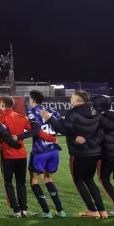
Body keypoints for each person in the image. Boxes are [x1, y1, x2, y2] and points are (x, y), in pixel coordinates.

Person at [41, 90, 107, 218]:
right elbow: (101, 131)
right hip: (94, 152)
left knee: (78, 180)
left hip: (79, 152)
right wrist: (91, 143)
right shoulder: (96, 112)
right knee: (90, 180)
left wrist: (50, 119)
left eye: (71, 97)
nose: (70, 99)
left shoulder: (73, 113)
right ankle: (102, 211)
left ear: (77, 99)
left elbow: (64, 130)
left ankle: (92, 210)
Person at [0, 96, 57, 218]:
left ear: (2, 105)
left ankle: (16, 210)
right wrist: (52, 139)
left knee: (8, 182)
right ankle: (24, 209)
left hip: (8, 156)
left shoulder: (1, 119)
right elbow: (38, 132)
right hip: (22, 156)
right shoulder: (22, 118)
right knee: (21, 183)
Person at [27, 90, 66, 219]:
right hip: (53, 151)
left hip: (40, 151)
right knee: (48, 178)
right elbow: (60, 125)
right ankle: (60, 211)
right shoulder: (52, 111)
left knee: (34, 179)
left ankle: (46, 211)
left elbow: (35, 130)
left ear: (32, 100)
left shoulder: (32, 112)